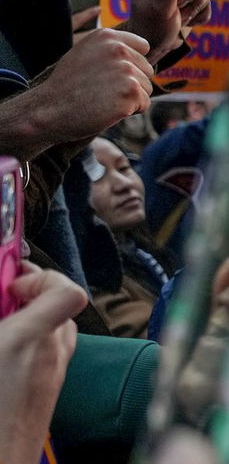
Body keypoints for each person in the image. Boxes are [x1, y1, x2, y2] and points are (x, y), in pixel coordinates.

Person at [79, 136, 177, 337]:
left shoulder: (137, 250)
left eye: (124, 168)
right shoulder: (91, 284)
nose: (123, 183)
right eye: (96, 176)